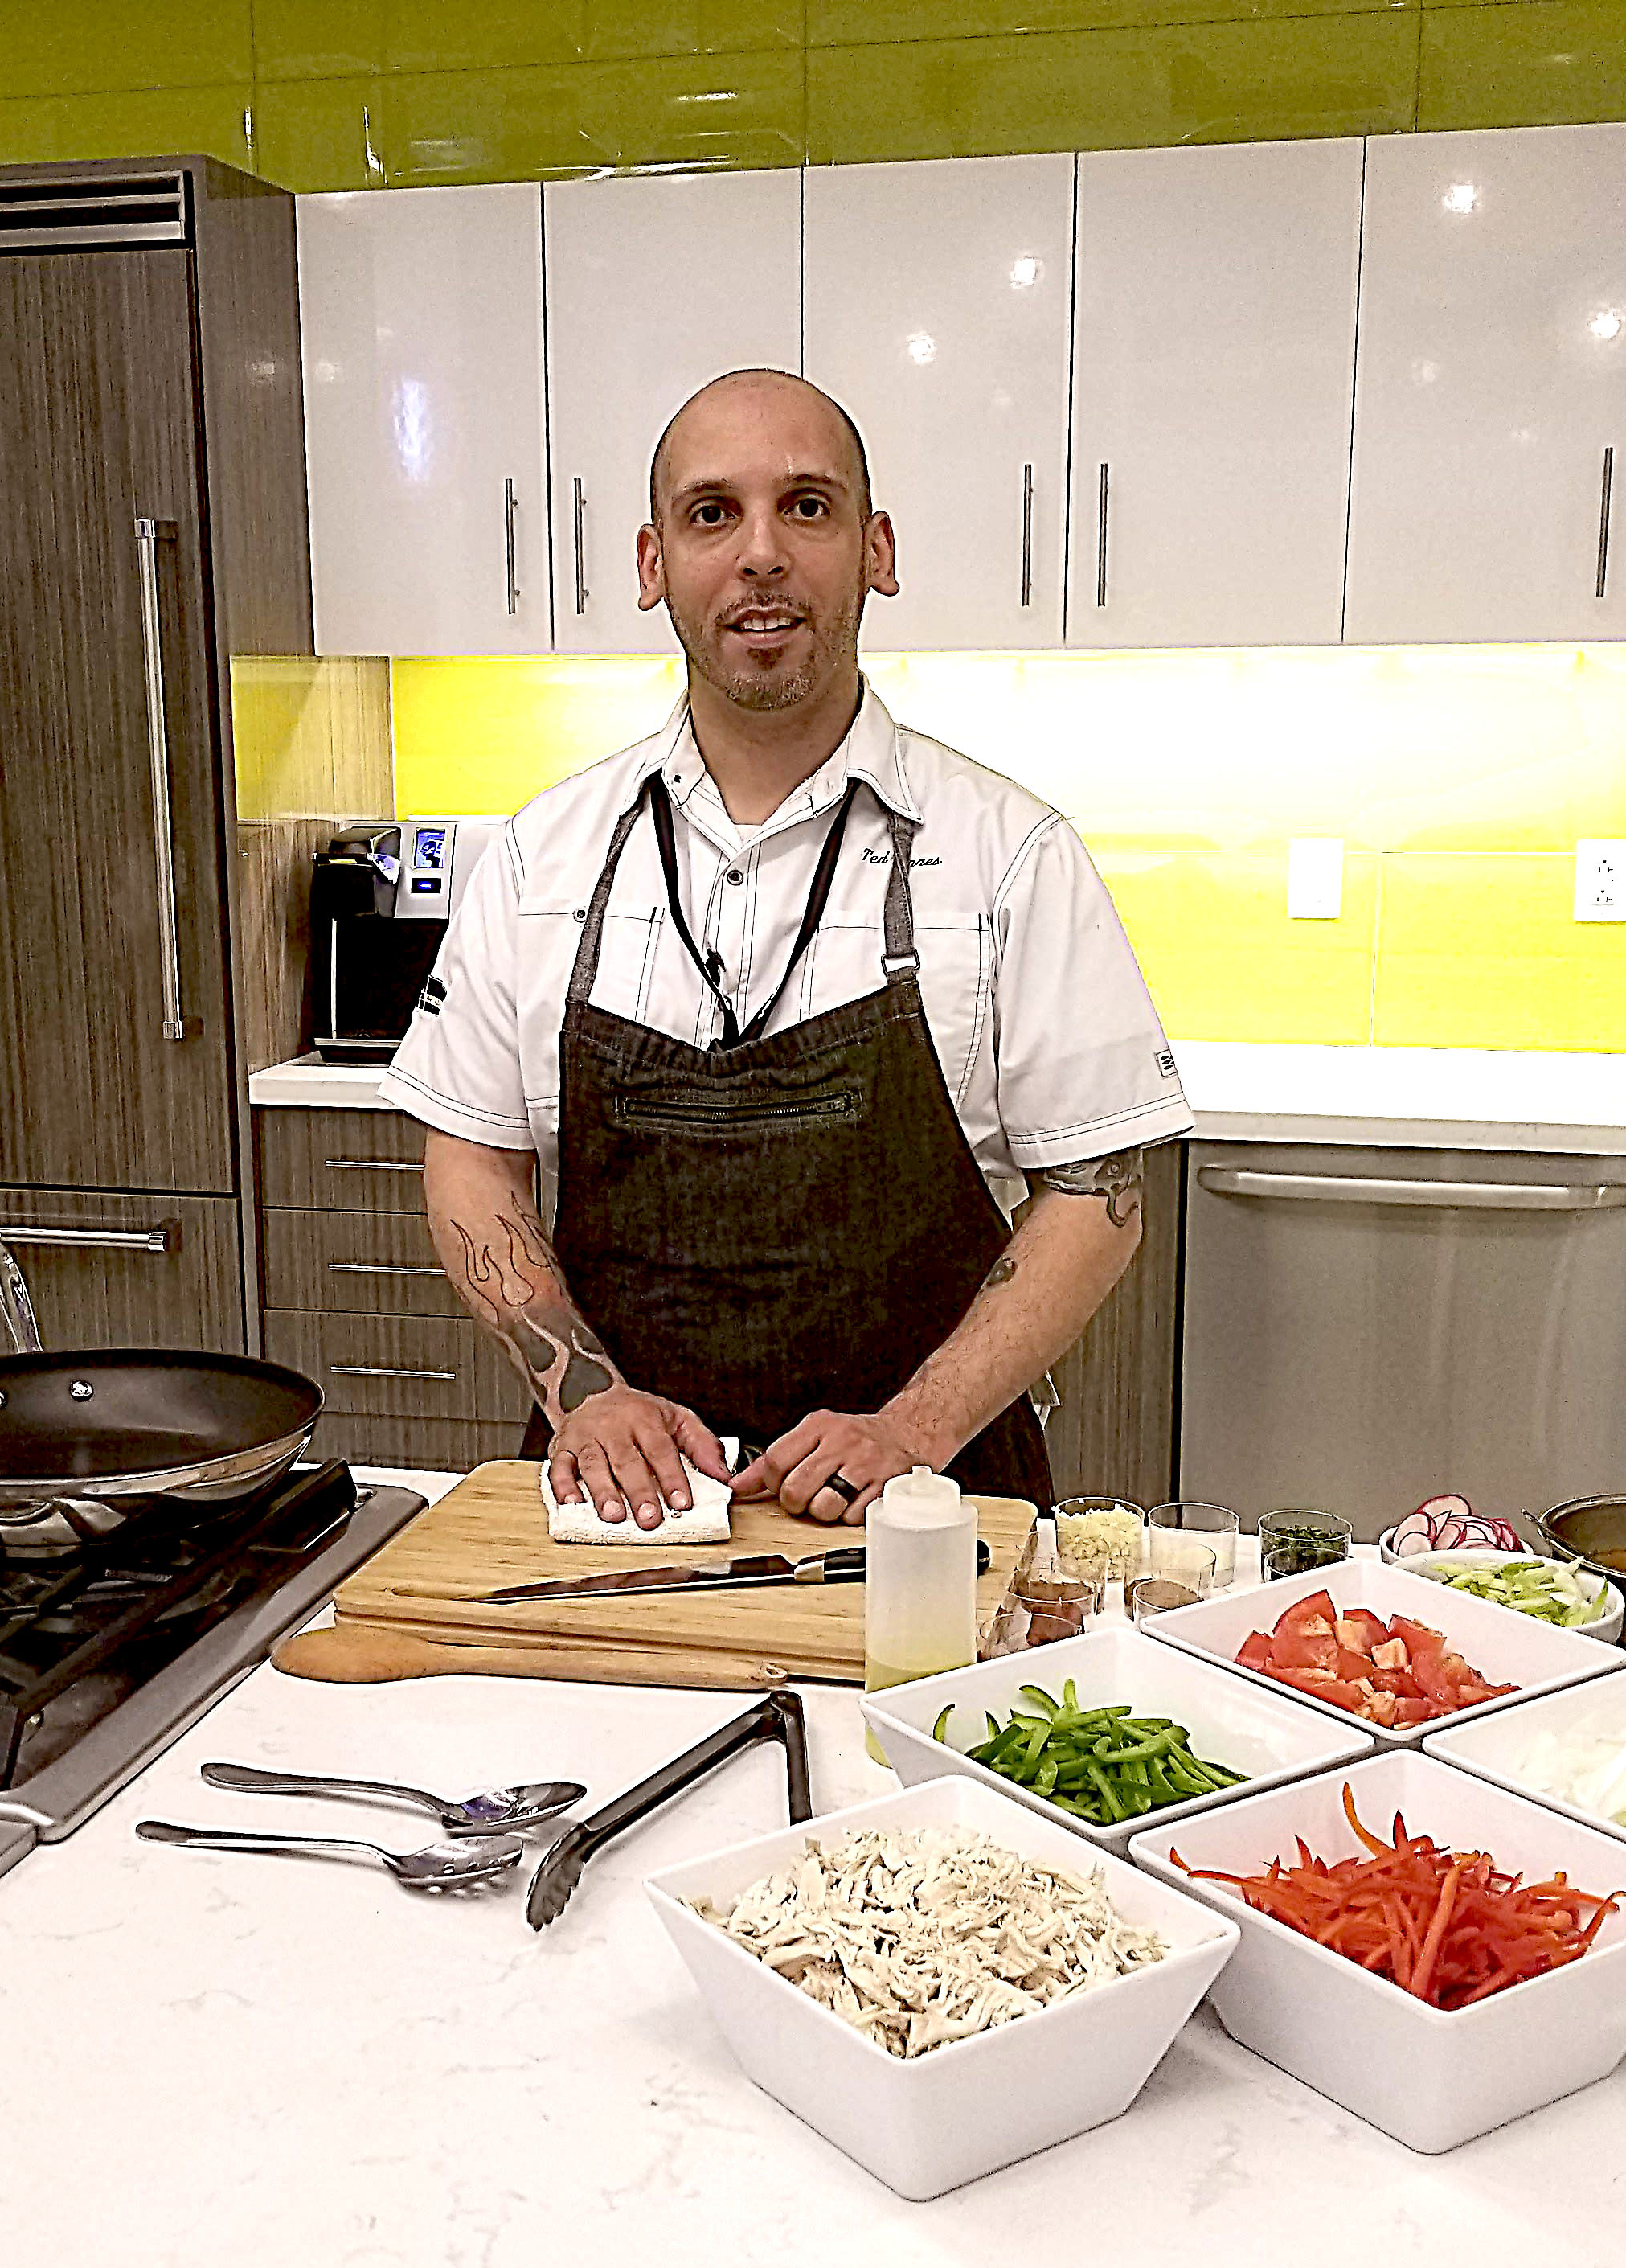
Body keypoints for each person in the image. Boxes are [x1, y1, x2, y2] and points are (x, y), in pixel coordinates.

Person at [382, 367, 1190, 1528]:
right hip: (622, 1513)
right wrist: (585, 1396)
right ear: (654, 563)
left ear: (877, 549)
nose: (760, 554)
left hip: (928, 1518)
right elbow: (472, 1156)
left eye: (806, 506)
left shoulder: (1011, 855)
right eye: (714, 514)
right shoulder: (540, 858)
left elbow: (1098, 1191)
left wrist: (910, 1433)